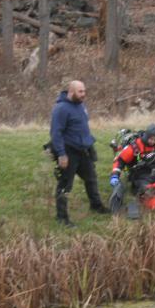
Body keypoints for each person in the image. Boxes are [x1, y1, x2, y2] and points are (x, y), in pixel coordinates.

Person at [48, 80, 109, 227]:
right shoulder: (61, 109)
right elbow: (55, 133)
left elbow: (82, 127)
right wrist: (62, 154)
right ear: (71, 92)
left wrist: (89, 144)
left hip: (84, 151)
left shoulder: (80, 105)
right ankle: (62, 218)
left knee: (91, 178)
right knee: (65, 184)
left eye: (84, 91)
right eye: (80, 91)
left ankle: (96, 205)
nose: (84, 94)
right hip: (68, 152)